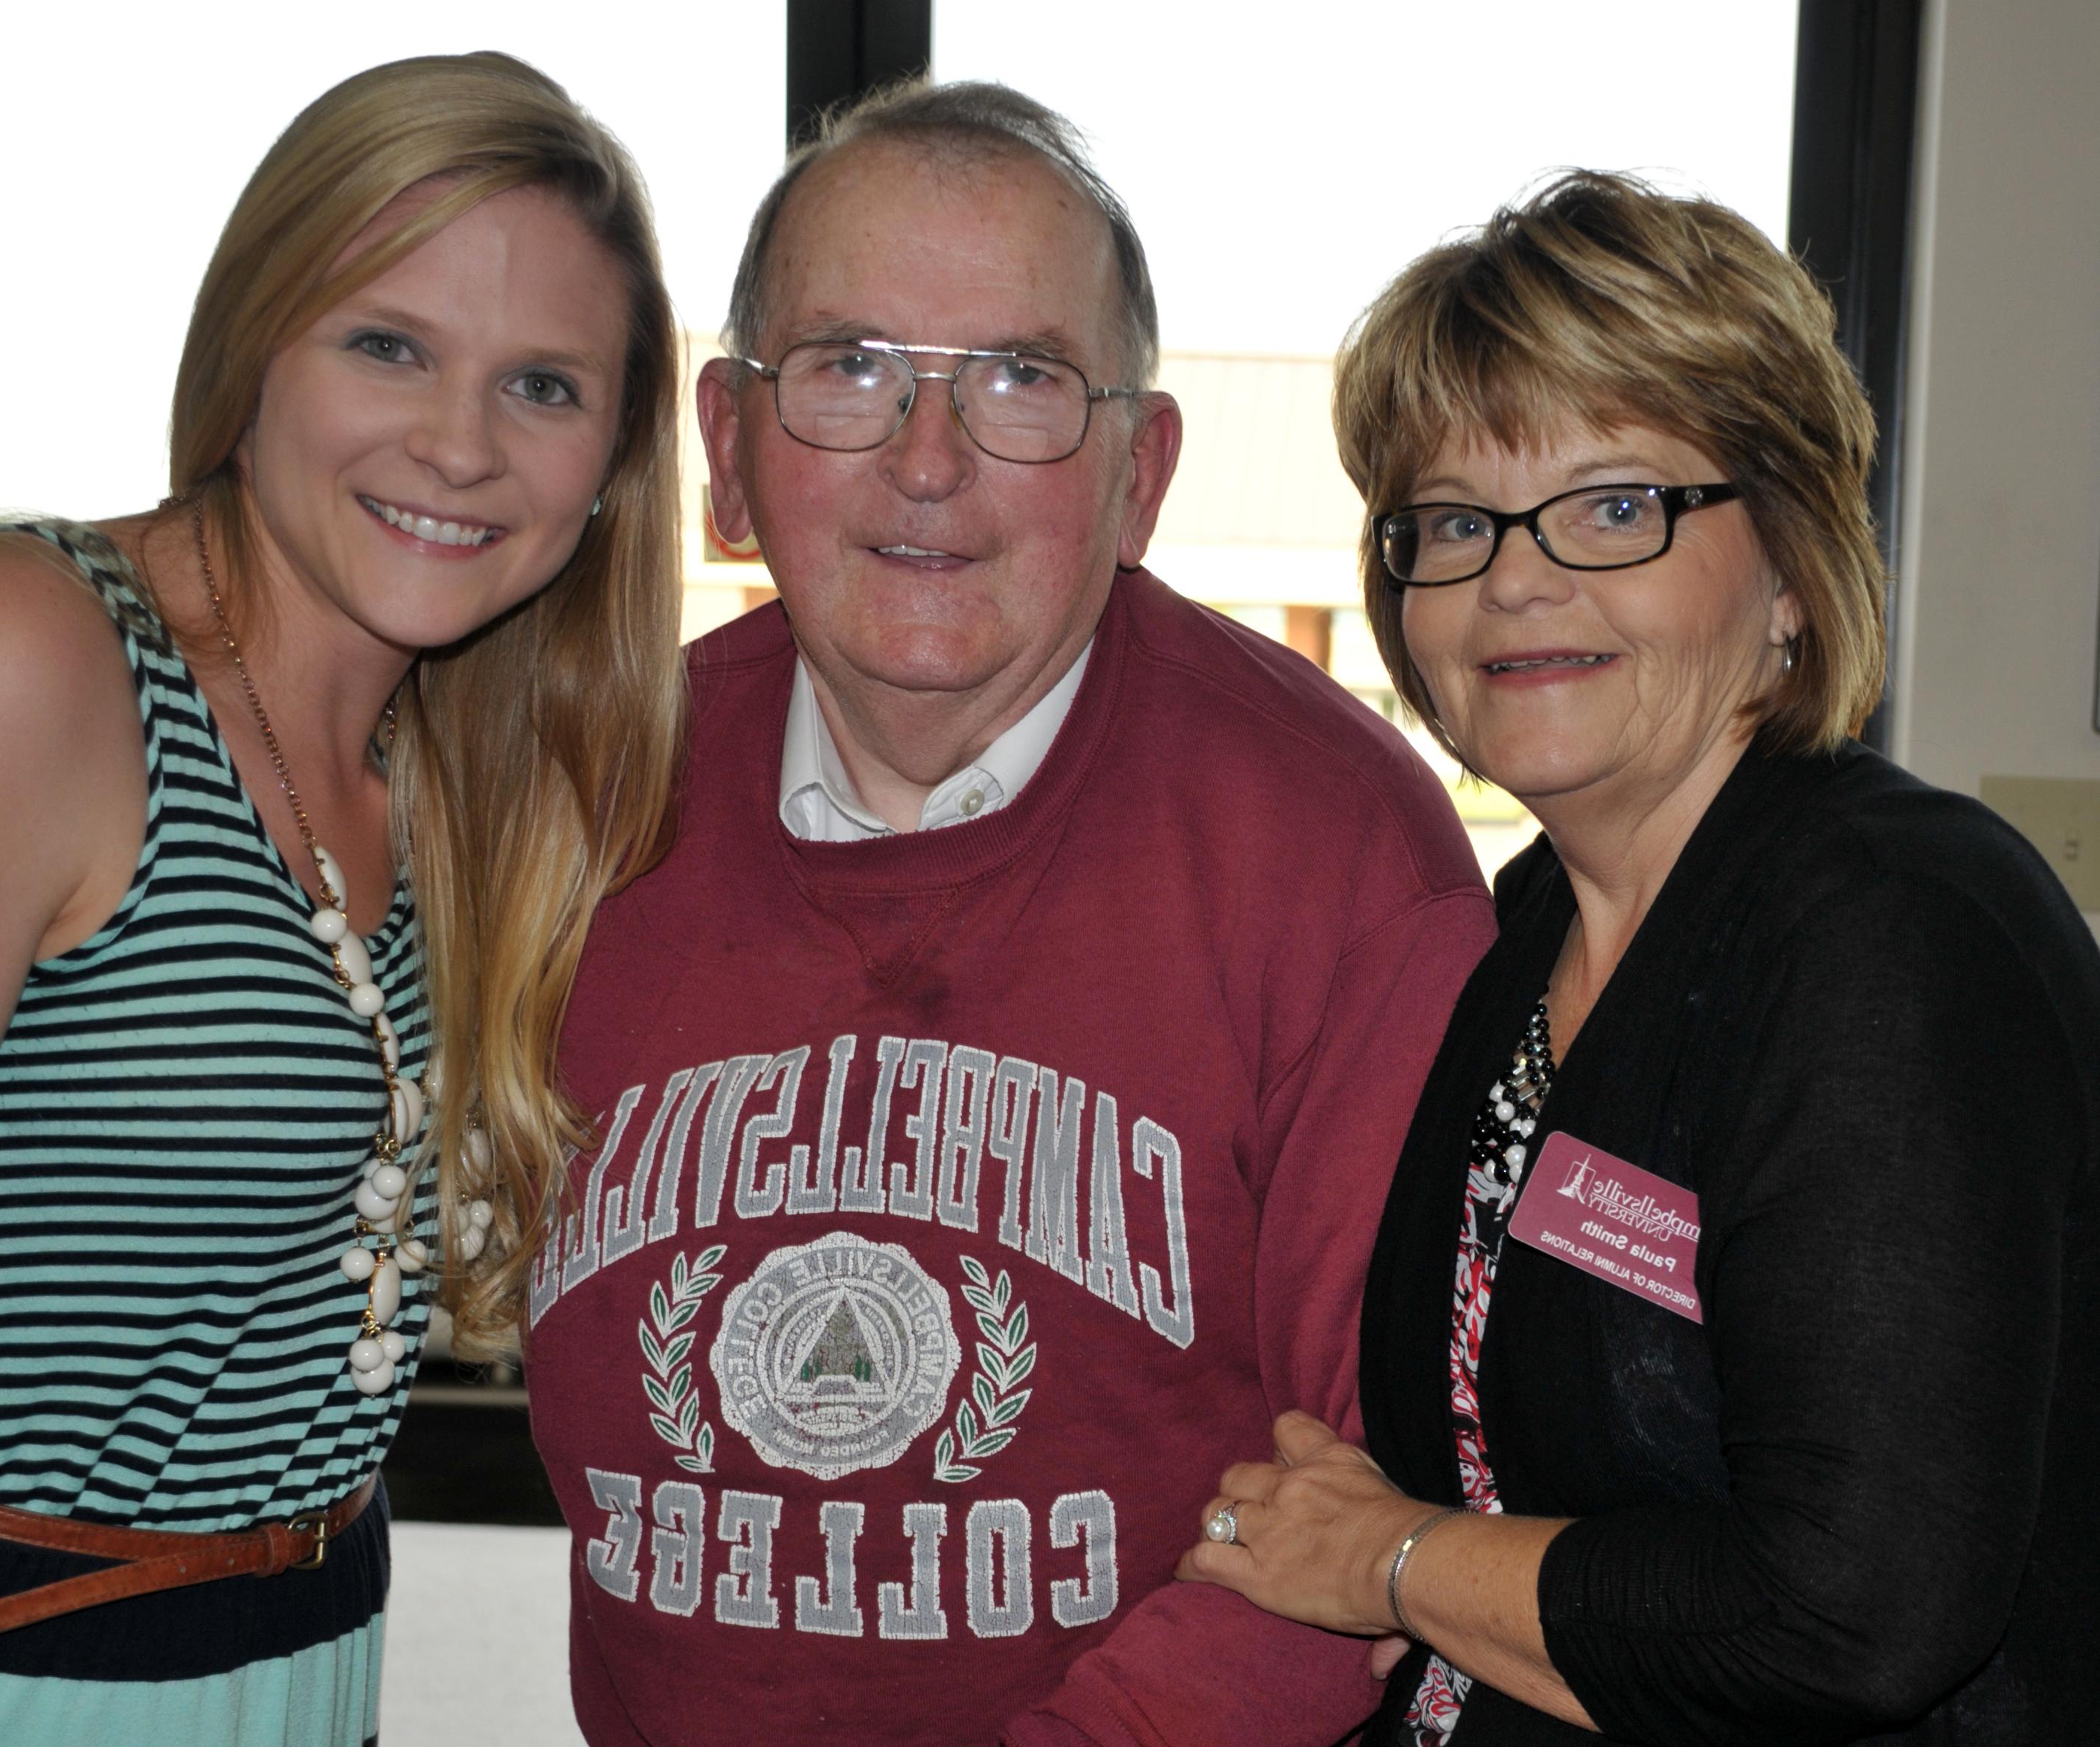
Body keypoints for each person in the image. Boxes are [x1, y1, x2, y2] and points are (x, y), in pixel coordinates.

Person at [517, 80, 1494, 1746]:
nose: (925, 459)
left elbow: (1382, 1476)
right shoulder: (571, 801)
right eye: (848, 368)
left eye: (1022, 380)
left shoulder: (1338, 850)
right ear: (727, 449)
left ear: (1140, 474)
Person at [0, 52, 684, 1746]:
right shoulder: (8, 663)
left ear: (616, 455)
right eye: (387, 343)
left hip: (305, 1674)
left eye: (545, 386)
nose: (461, 445)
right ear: (253, 341)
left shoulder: (463, 777)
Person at [1177, 170, 2100, 1743]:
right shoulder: (1527, 925)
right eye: (1454, 522)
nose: (1516, 577)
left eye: (1618, 503)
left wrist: (1397, 1563)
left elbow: (1847, 1610)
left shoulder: (1891, 934)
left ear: (1793, 570)